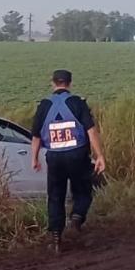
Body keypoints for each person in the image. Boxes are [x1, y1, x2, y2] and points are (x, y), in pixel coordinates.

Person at [30, 69, 107, 252]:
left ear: (53, 83)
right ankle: (76, 218)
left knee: (55, 196)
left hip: (54, 157)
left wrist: (34, 158)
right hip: (77, 154)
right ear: (70, 84)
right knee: (83, 190)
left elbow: (36, 136)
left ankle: (56, 238)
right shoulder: (77, 103)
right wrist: (99, 155)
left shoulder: (44, 105)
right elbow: (91, 131)